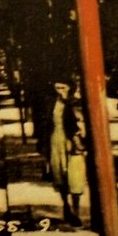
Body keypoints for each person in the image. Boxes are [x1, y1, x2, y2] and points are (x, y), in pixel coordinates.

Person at [46, 80, 86, 227]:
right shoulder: (52, 104)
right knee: (60, 177)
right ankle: (66, 206)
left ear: (69, 88)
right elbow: (48, 124)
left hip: (72, 144)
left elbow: (78, 122)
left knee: (75, 178)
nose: (59, 90)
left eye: (63, 87)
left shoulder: (75, 103)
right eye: (56, 87)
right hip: (56, 142)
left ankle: (76, 212)